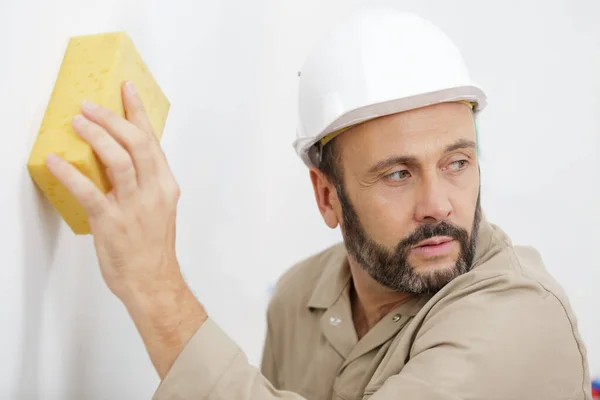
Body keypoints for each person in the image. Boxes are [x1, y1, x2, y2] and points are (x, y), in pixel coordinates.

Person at [46, 7, 592, 400]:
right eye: (398, 173)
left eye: (457, 163)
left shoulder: (519, 315)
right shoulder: (298, 299)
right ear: (327, 195)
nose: (438, 204)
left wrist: (156, 289)